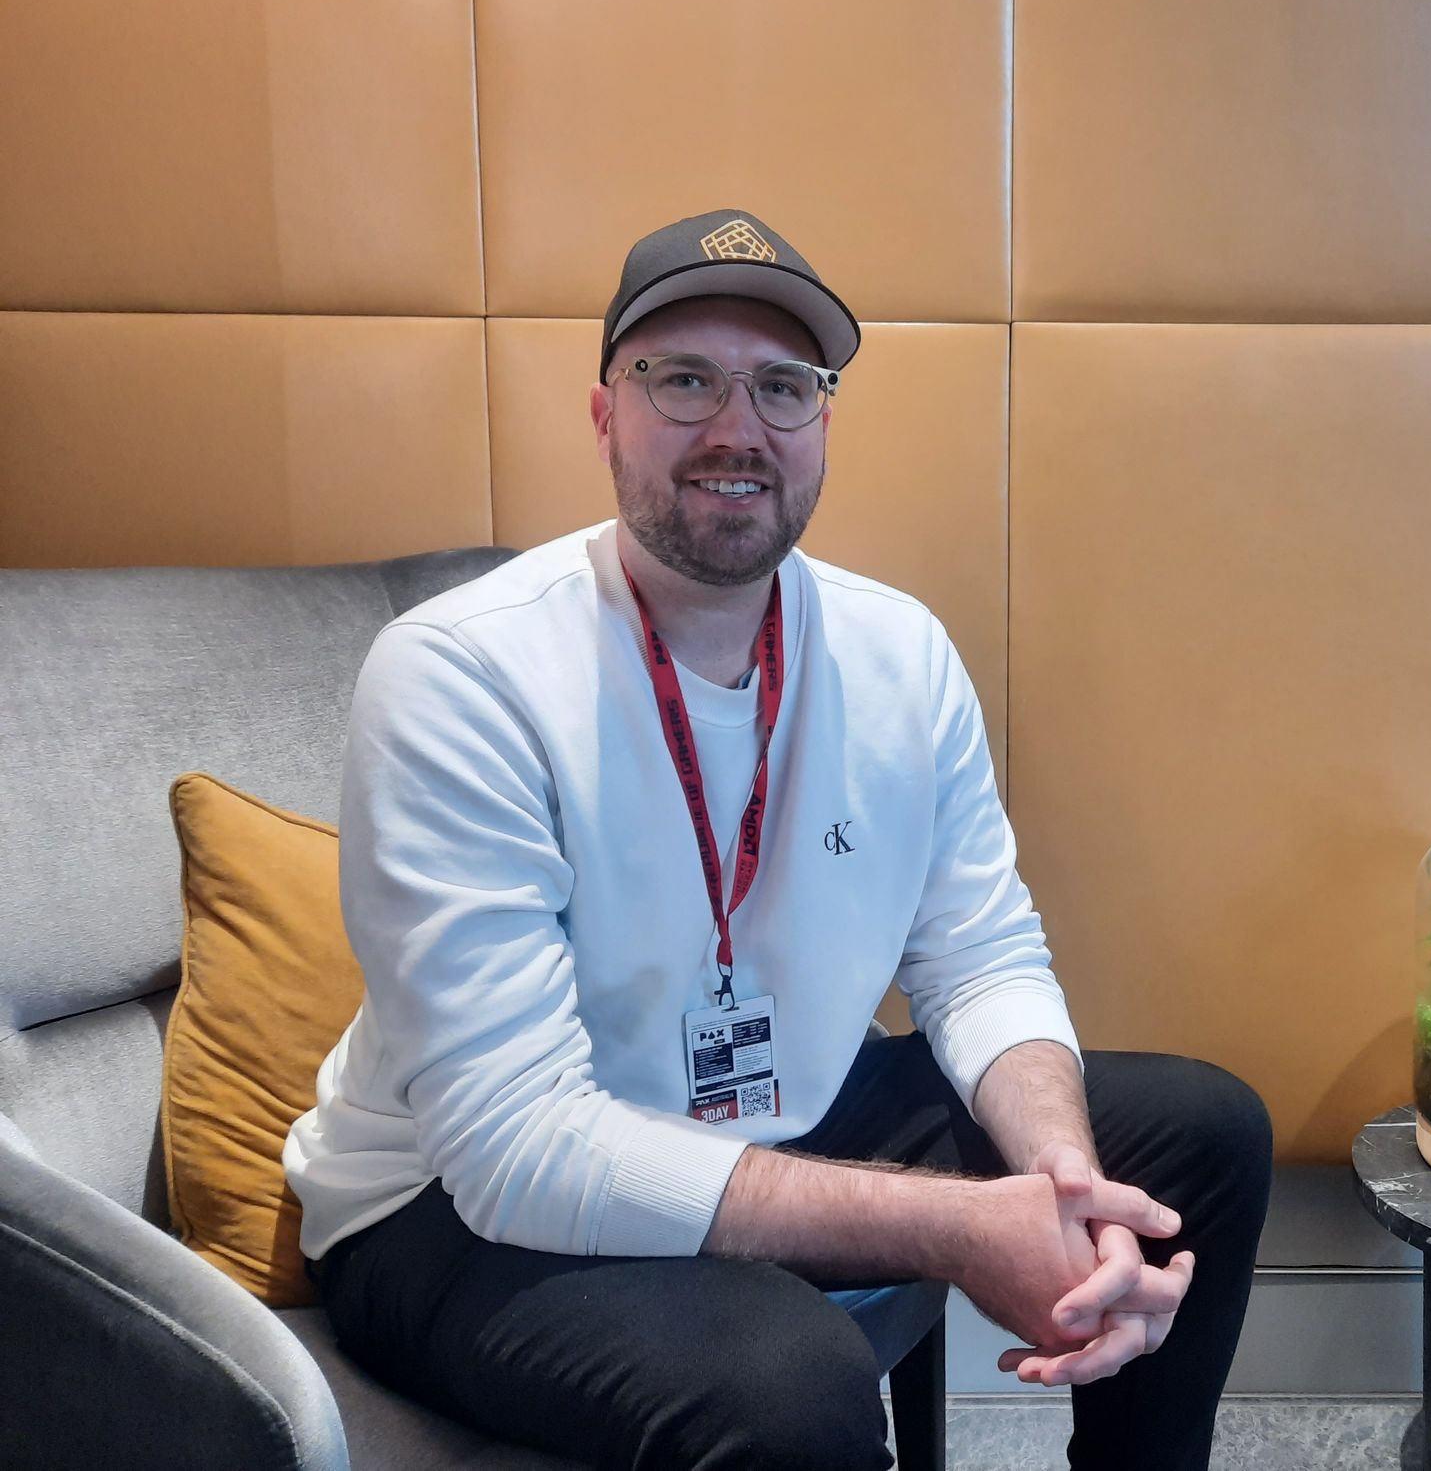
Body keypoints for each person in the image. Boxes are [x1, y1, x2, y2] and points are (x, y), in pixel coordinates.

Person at [283, 209, 1272, 1470]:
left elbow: (976, 955)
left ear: (820, 424)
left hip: (768, 1108)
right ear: (604, 419)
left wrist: (1060, 1183)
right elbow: (515, 1149)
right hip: (452, 1204)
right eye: (682, 379)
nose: (735, 429)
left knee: (1198, 1135)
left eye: (782, 387)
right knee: (784, 1383)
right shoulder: (463, 675)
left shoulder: (897, 652)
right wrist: (955, 1230)